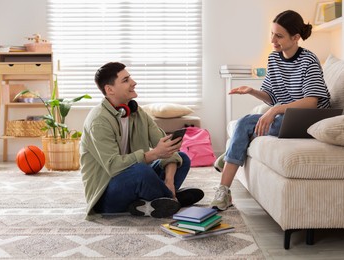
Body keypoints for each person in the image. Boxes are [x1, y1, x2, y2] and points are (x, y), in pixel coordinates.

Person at [211, 10, 331, 211]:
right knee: (245, 123)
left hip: (307, 121)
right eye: (272, 34)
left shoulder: (309, 60)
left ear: (296, 37)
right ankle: (224, 188)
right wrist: (252, 91)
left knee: (246, 124)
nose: (273, 40)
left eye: (279, 36)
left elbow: (311, 102)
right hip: (285, 117)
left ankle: (228, 165)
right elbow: (271, 96)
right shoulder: (274, 59)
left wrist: (275, 110)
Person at [80, 62, 204, 219]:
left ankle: (157, 201)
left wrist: (169, 180)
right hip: (106, 196)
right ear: (109, 89)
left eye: (130, 78)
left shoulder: (137, 113)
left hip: (132, 182)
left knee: (182, 159)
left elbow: (167, 148)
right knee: (140, 170)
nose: (133, 82)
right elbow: (113, 166)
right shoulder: (98, 121)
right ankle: (174, 200)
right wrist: (153, 154)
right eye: (125, 80)